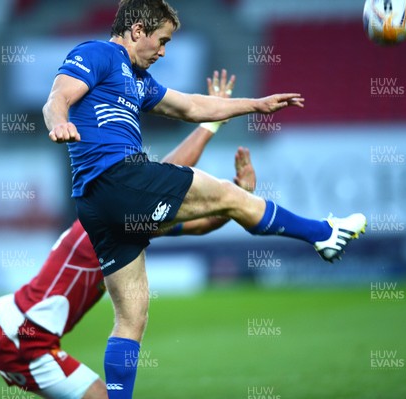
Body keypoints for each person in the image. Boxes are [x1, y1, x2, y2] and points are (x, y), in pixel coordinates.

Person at [0, 71, 256, 399]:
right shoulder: (114, 221)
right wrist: (207, 127)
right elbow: (169, 173)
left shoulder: (121, 224)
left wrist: (238, 200)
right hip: (27, 336)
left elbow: (198, 221)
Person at [42, 1, 367, 398]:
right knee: (228, 193)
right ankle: (323, 234)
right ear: (138, 29)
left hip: (95, 206)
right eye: (161, 41)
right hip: (119, 178)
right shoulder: (99, 53)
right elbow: (57, 96)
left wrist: (256, 104)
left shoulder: (138, 80)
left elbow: (192, 105)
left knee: (131, 319)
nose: (163, 51)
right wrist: (59, 122)